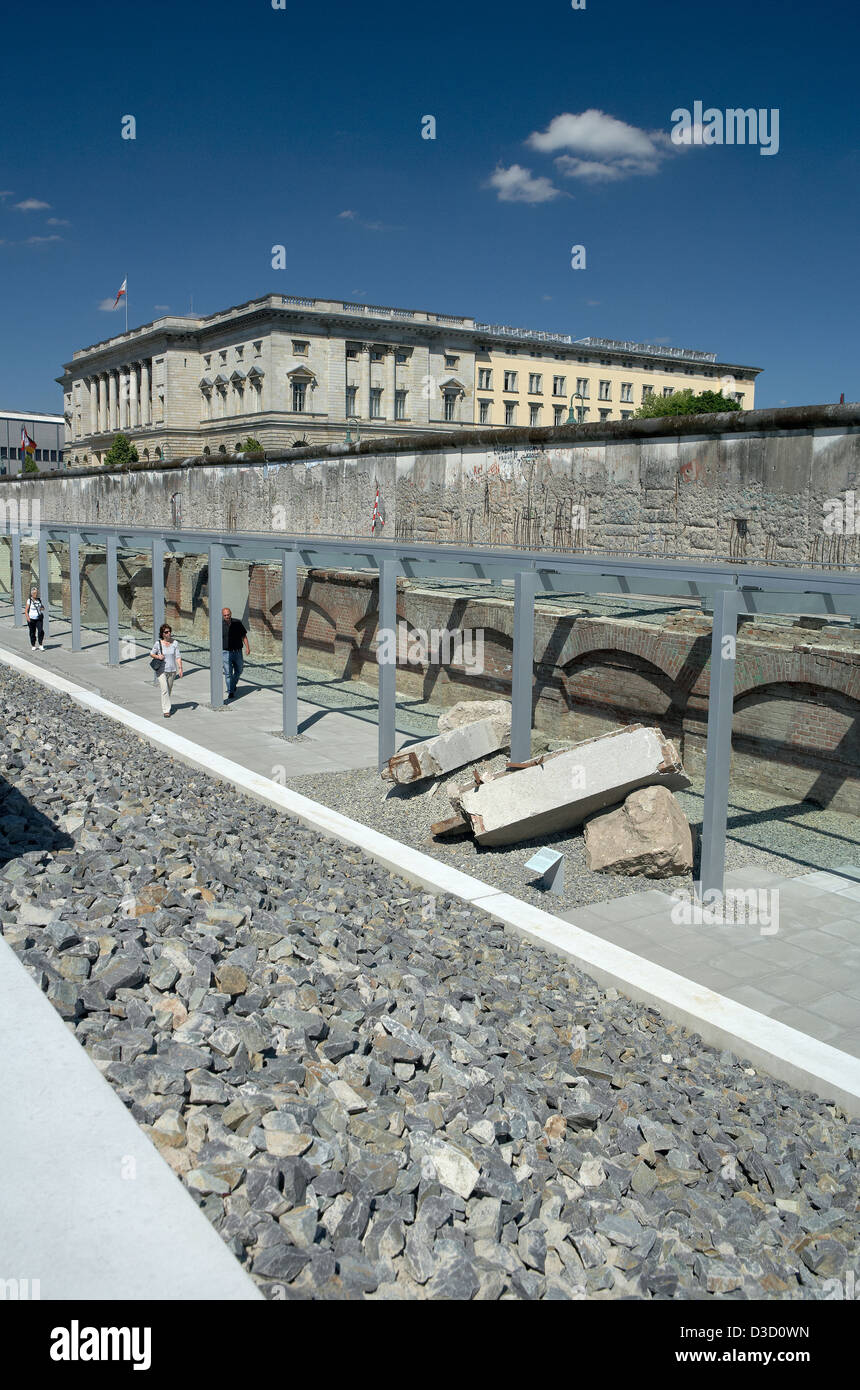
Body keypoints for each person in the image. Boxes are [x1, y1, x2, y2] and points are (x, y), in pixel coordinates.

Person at [150, 622, 183, 718]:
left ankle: (167, 704)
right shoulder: (158, 643)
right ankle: (166, 710)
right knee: (164, 689)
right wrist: (158, 656)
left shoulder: (175, 643)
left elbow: (178, 657)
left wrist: (180, 668)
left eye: (169, 631)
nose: (168, 633)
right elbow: (151, 653)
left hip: (172, 670)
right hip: (161, 670)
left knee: (169, 689)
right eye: (166, 632)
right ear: (162, 634)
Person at [222, 607, 250, 702]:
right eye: (225, 615)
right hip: (225, 652)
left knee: (239, 669)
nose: (227, 616)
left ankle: (232, 685)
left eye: (228, 614)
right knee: (228, 672)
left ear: (231, 614)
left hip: (238, 651)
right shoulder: (220, 625)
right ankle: (231, 691)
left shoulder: (237, 623)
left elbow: (244, 636)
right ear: (223, 616)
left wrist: (247, 648)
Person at [26, 586, 45, 650]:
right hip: (31, 619)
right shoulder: (29, 600)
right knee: (32, 632)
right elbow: (26, 610)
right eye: (34, 593)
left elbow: (42, 608)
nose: (35, 594)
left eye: (36, 593)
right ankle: (33, 645)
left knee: (41, 631)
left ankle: (40, 644)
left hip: (39, 618)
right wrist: (28, 618)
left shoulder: (39, 600)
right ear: (31, 594)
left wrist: (42, 608)